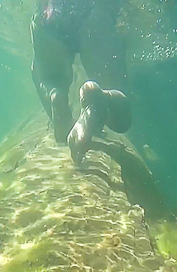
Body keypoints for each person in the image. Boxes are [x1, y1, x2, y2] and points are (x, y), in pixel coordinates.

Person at [31, 0, 131, 163]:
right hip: (94, 9)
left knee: (47, 77)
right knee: (122, 120)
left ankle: (56, 96)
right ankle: (101, 99)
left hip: (49, 13)